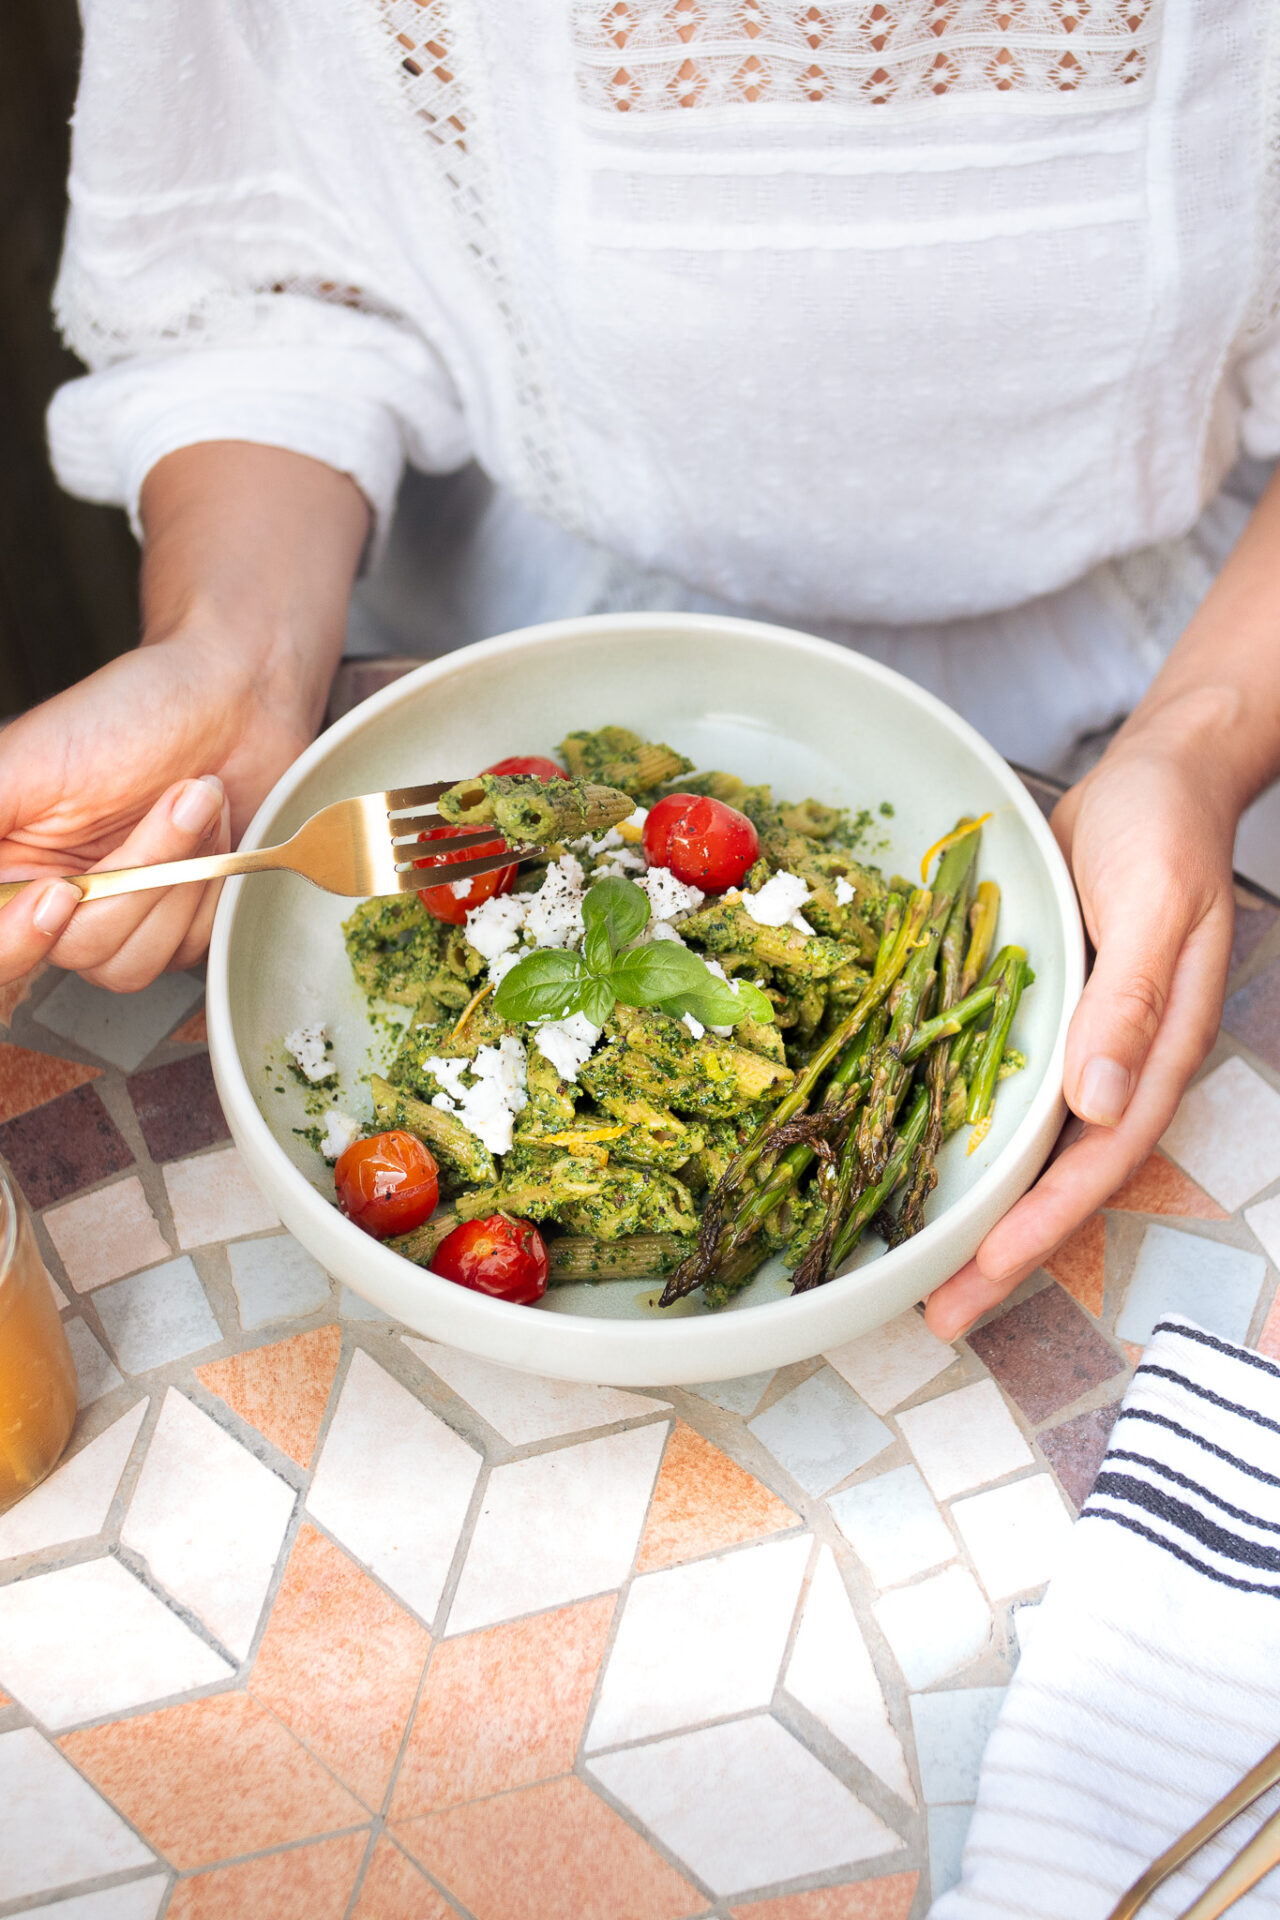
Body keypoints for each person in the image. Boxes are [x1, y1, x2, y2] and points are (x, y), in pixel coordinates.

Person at [5, 0, 1279, 1342]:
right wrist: (238, 662)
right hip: (492, 618)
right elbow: (270, 305)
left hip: (1181, 671)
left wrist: (1200, 737)